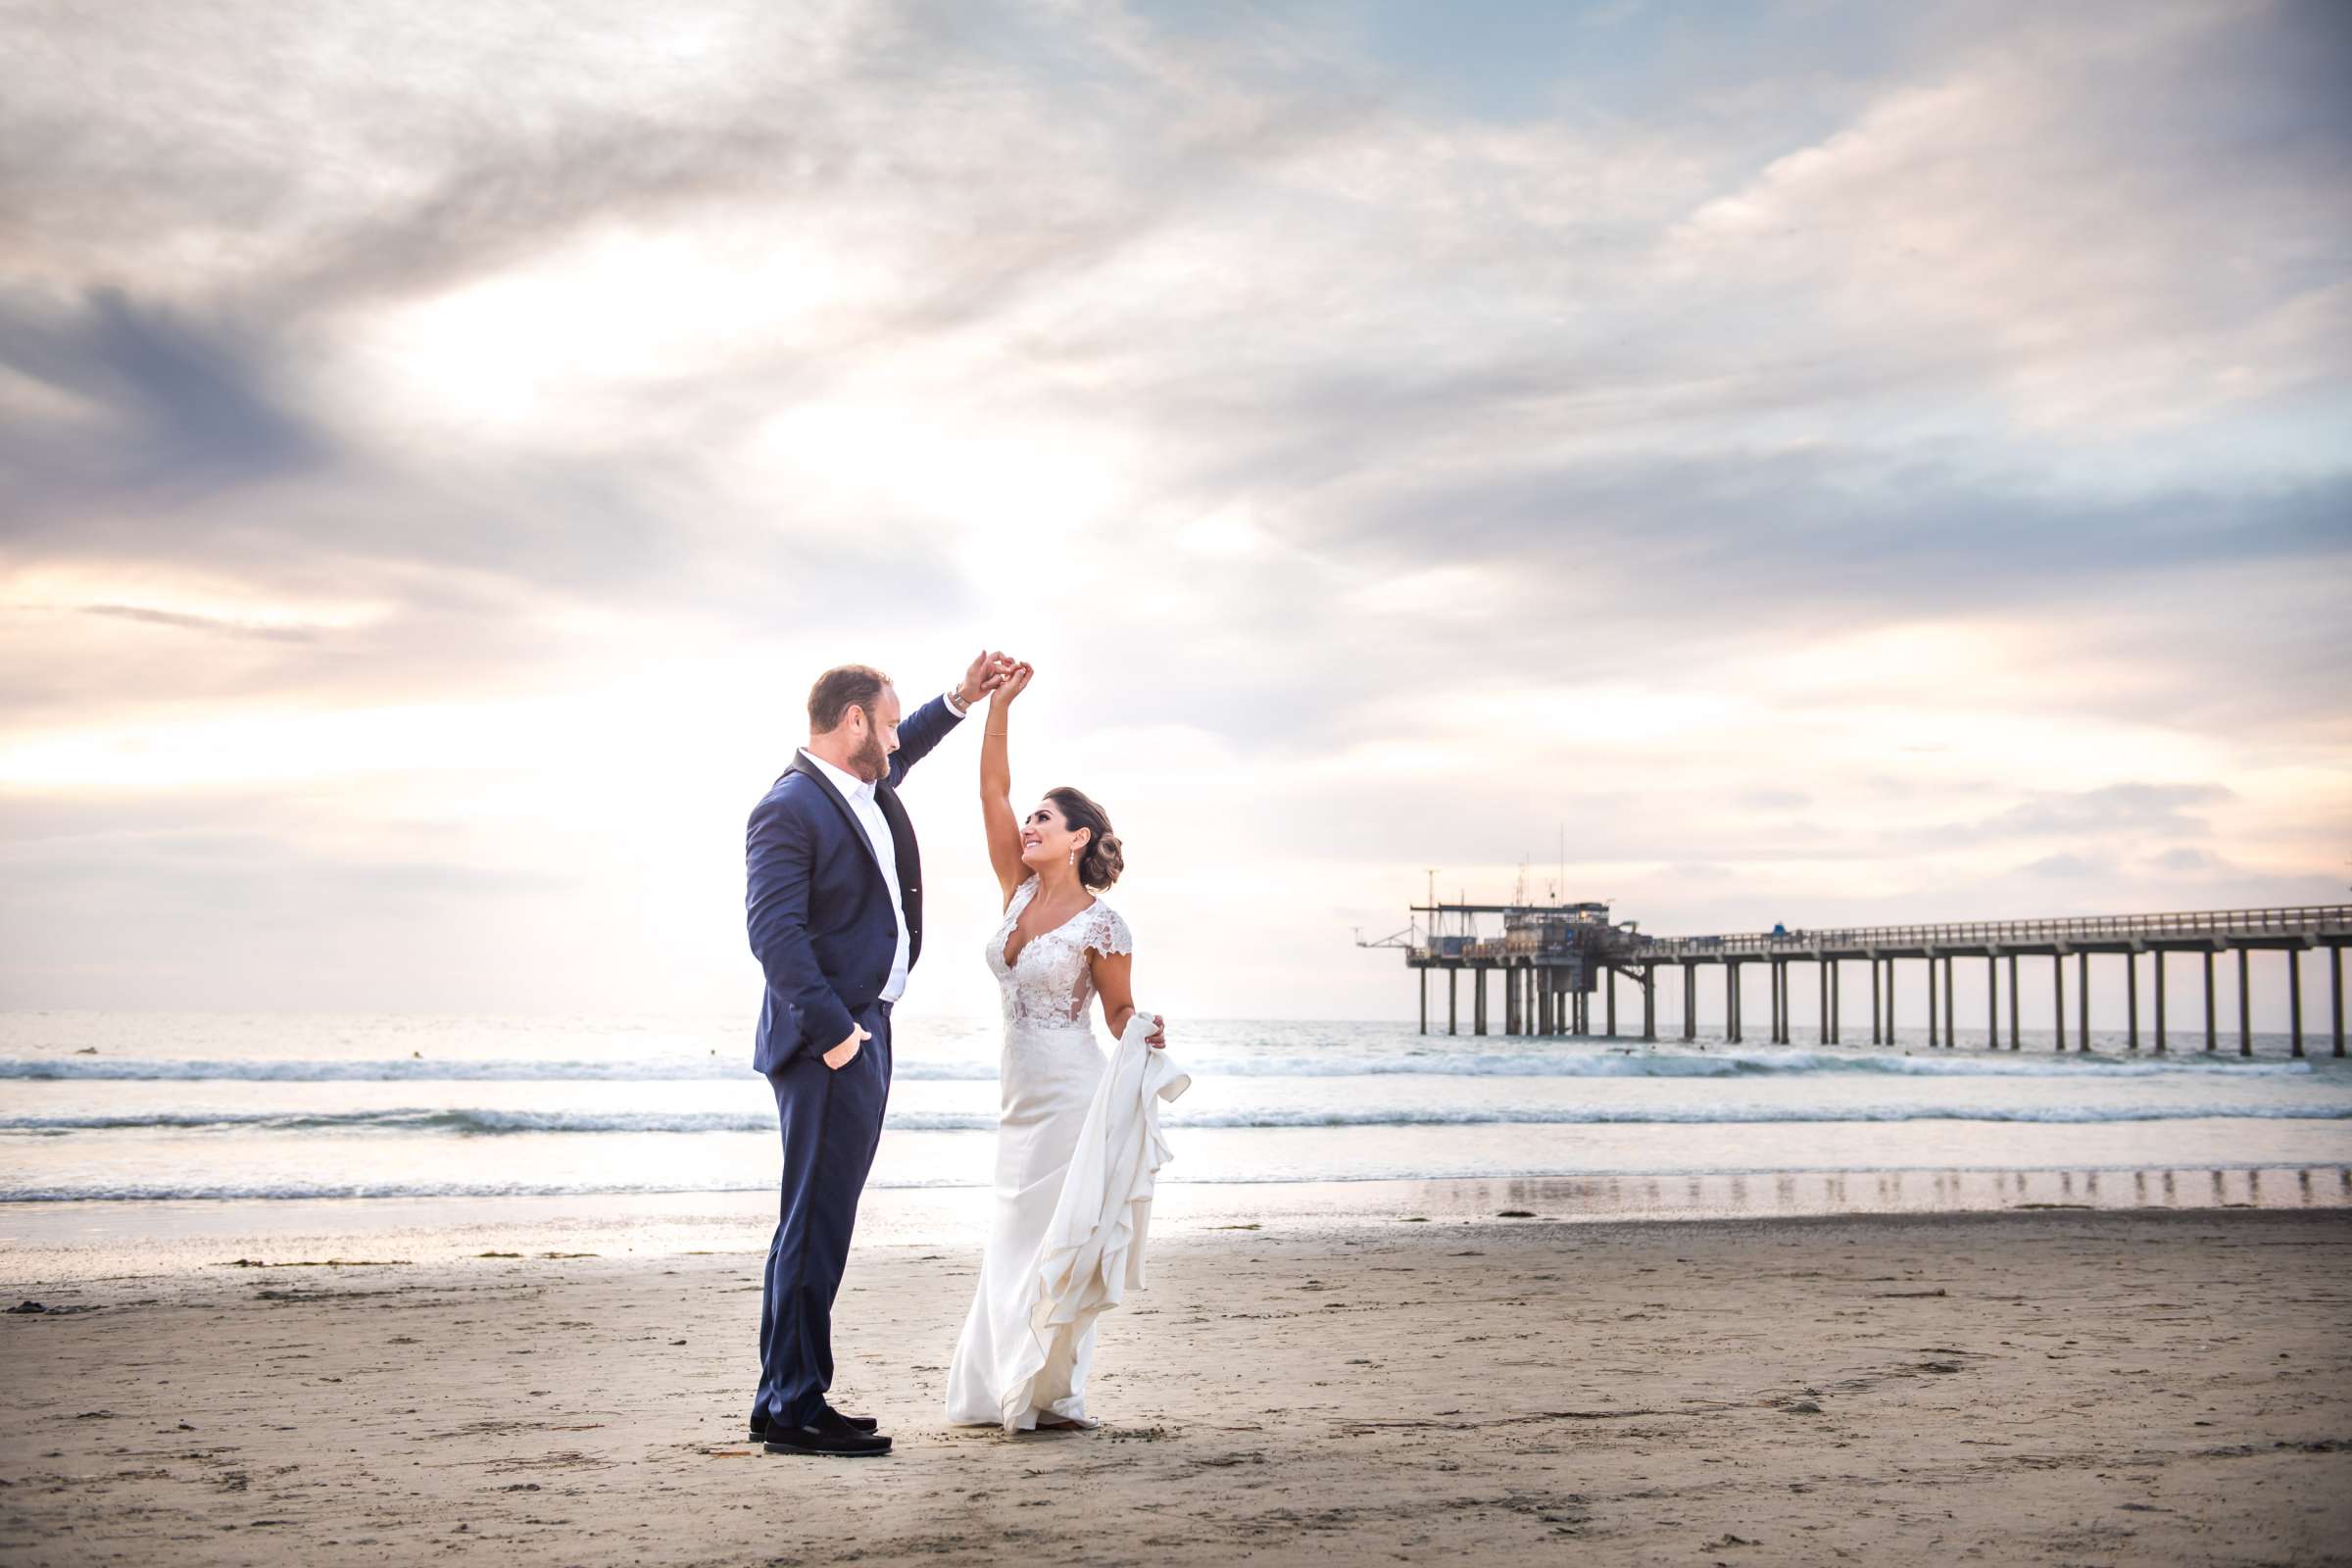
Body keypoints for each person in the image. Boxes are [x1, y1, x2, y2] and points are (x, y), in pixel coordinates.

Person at [745, 651, 1015, 1458]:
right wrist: (836, 1038)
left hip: (866, 1026)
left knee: (817, 1221)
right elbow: (775, 935)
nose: (897, 739)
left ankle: (781, 1398)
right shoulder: (790, 808)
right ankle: (795, 1407)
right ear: (853, 720)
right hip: (830, 1039)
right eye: (888, 723)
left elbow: (916, 745)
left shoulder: (863, 790)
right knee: (815, 1223)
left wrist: (960, 699)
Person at [944, 661, 1183, 1433]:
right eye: (1033, 817)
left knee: (1057, 1238)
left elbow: (1116, 1012)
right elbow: (991, 793)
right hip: (1019, 1096)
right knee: (1011, 1234)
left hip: (1073, 1095)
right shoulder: (1014, 889)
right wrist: (999, 707)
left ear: (1079, 839)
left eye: (1047, 819)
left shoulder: (1104, 925)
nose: (1030, 825)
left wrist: (1143, 1029)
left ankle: (1049, 1391)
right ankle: (996, 1388)